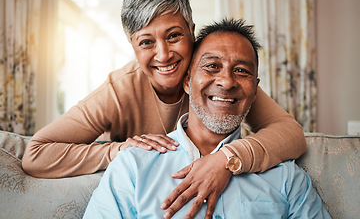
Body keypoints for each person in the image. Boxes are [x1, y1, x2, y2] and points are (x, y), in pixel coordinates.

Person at [22, 0, 306, 218]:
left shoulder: (218, 77)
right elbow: (37, 154)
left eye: (174, 36)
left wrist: (225, 159)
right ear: (133, 46)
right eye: (146, 42)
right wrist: (118, 151)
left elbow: (291, 133)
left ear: (191, 31)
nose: (164, 54)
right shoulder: (120, 89)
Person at [83, 18, 330, 219]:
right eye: (212, 66)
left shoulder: (287, 177)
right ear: (188, 81)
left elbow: (293, 133)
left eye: (241, 71)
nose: (226, 81)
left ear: (255, 90)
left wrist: (226, 159)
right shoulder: (133, 167)